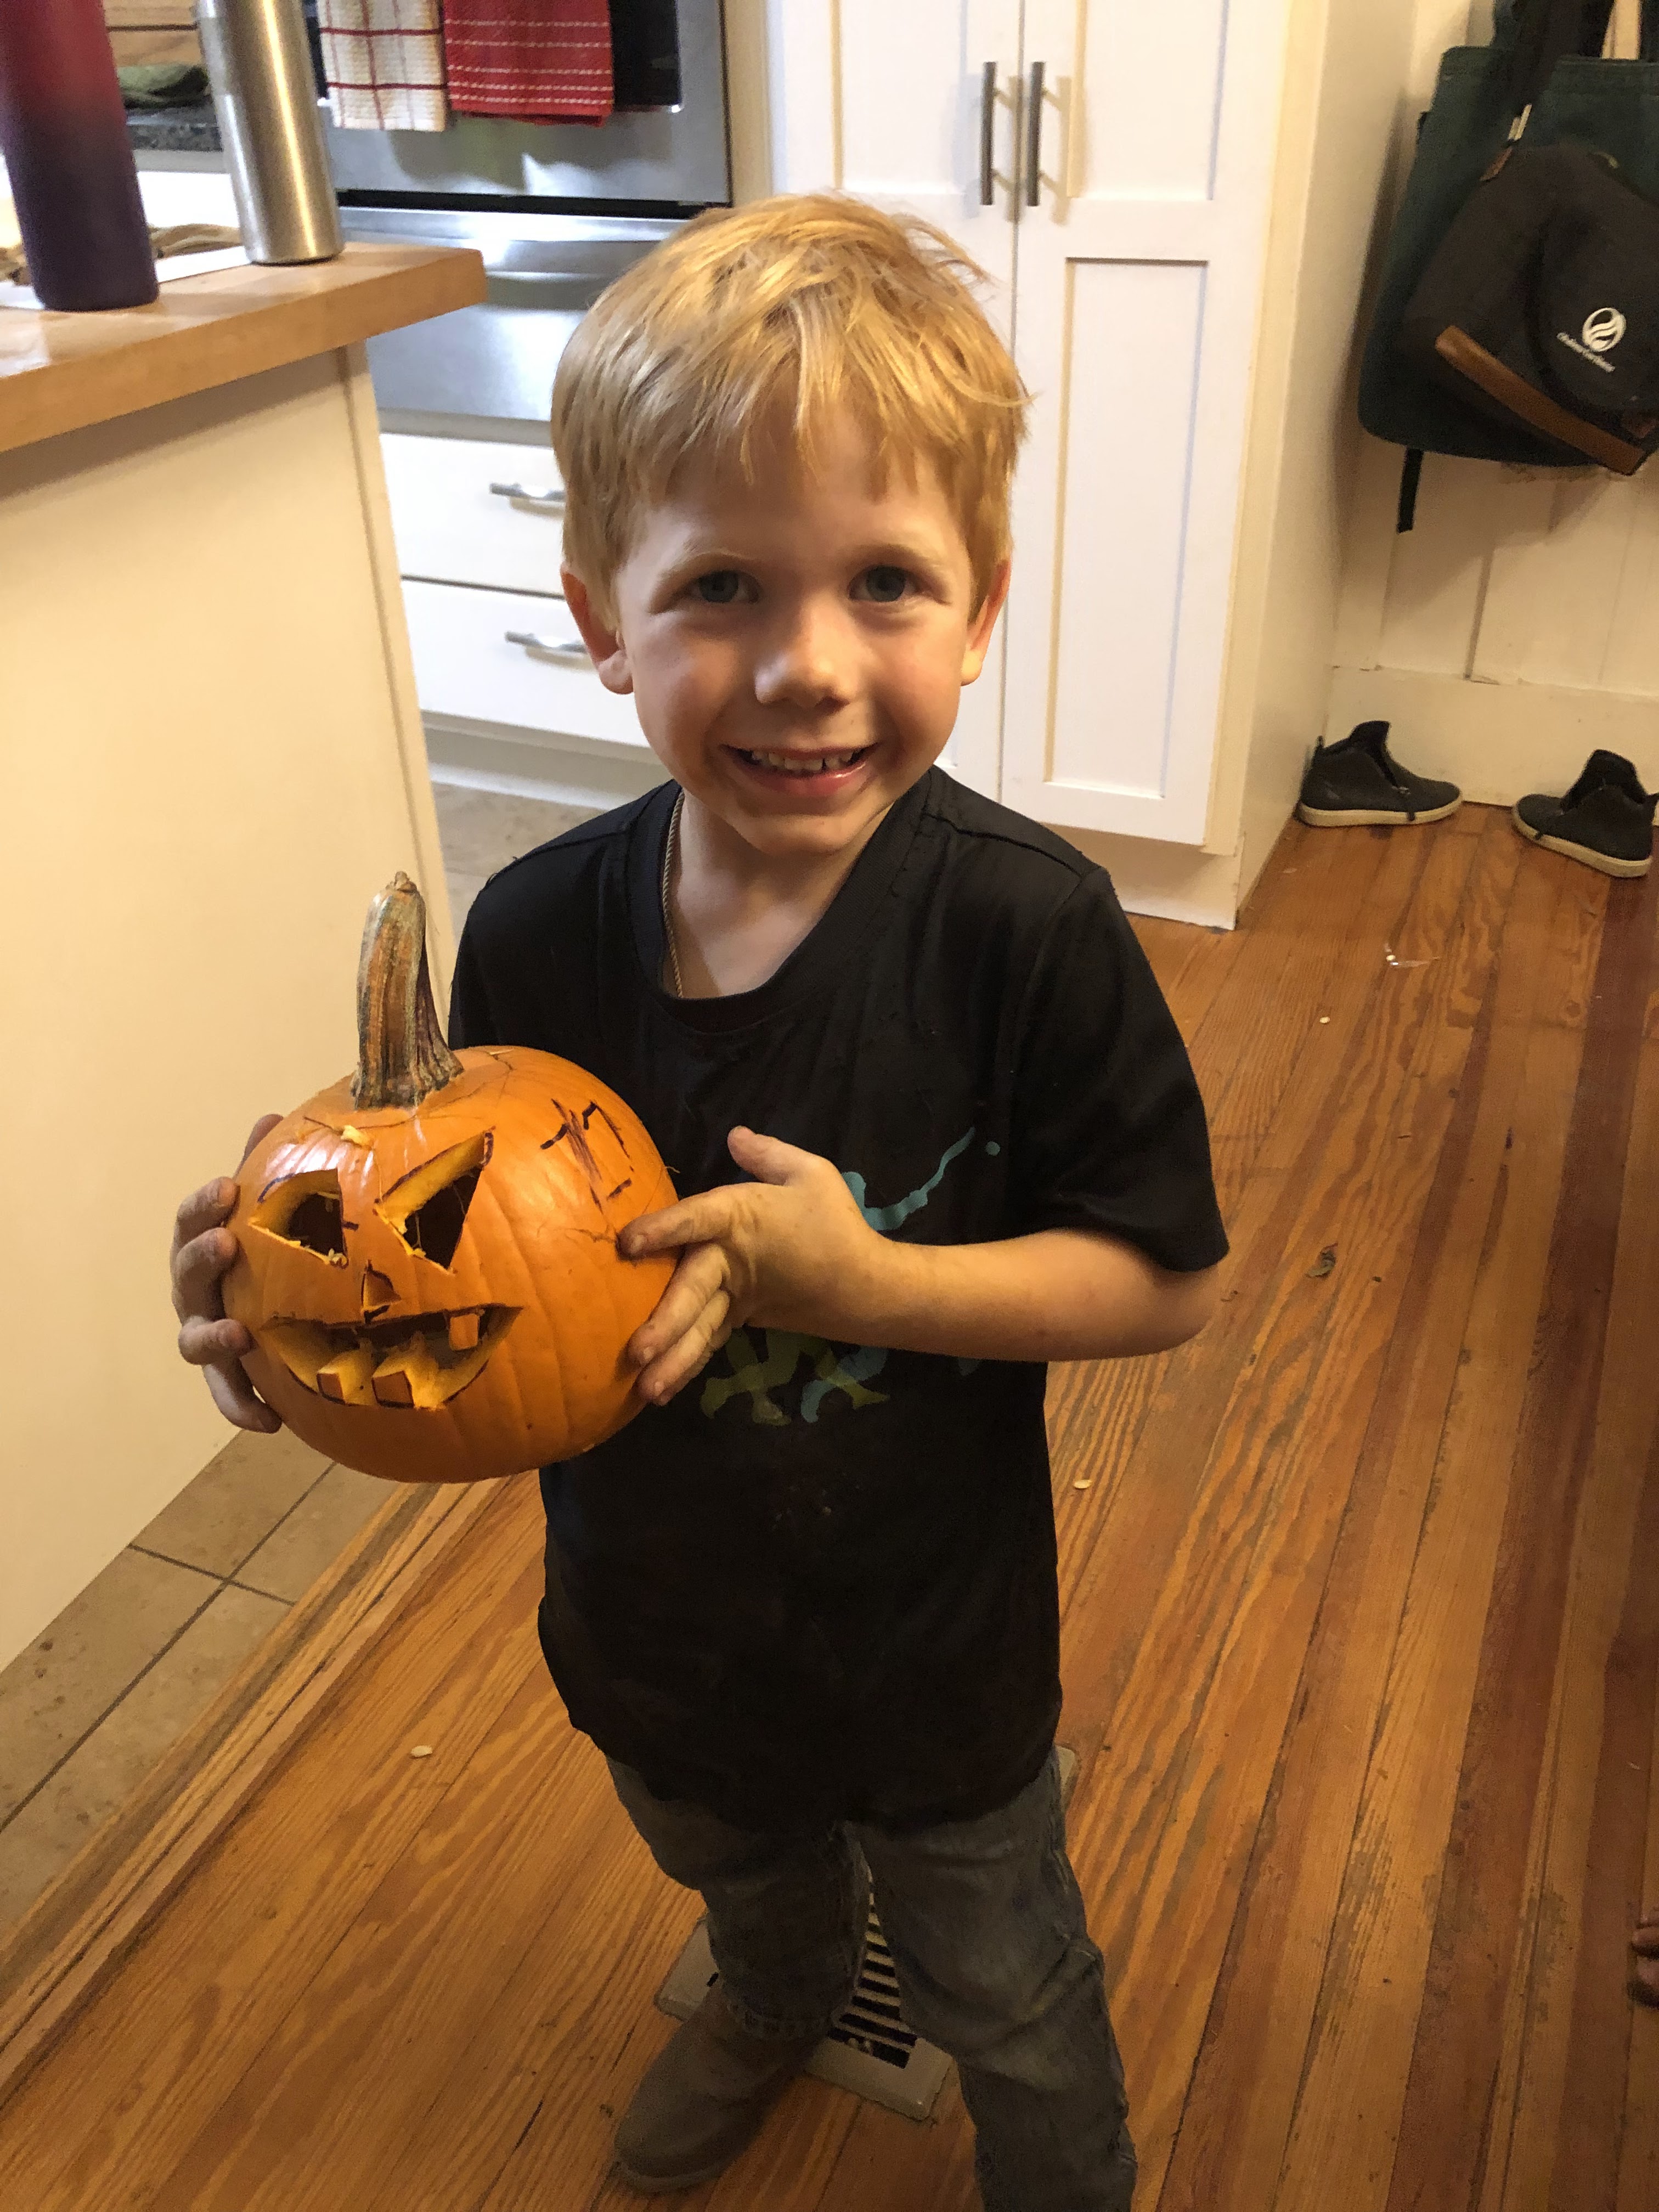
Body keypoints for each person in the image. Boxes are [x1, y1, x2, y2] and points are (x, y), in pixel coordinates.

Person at [169, 194, 1227, 2211]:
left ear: (982, 609)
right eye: (723, 586)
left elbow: (1162, 1282)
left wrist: (868, 1283)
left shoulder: (1027, 933)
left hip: (930, 1647)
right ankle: (775, 1992)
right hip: (650, 1624)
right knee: (741, 1875)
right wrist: (288, 1333)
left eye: (885, 584)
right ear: (603, 619)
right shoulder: (537, 934)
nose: (806, 668)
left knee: (1008, 1987)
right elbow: (474, 1274)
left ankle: (1063, 2172)